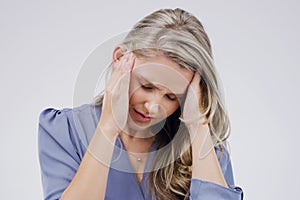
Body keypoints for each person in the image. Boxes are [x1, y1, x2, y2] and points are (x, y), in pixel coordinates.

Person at [38, 8, 244, 200]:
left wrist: (198, 127)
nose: (153, 107)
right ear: (120, 59)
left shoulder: (204, 145)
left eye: (172, 97)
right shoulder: (65, 130)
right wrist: (108, 127)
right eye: (146, 86)